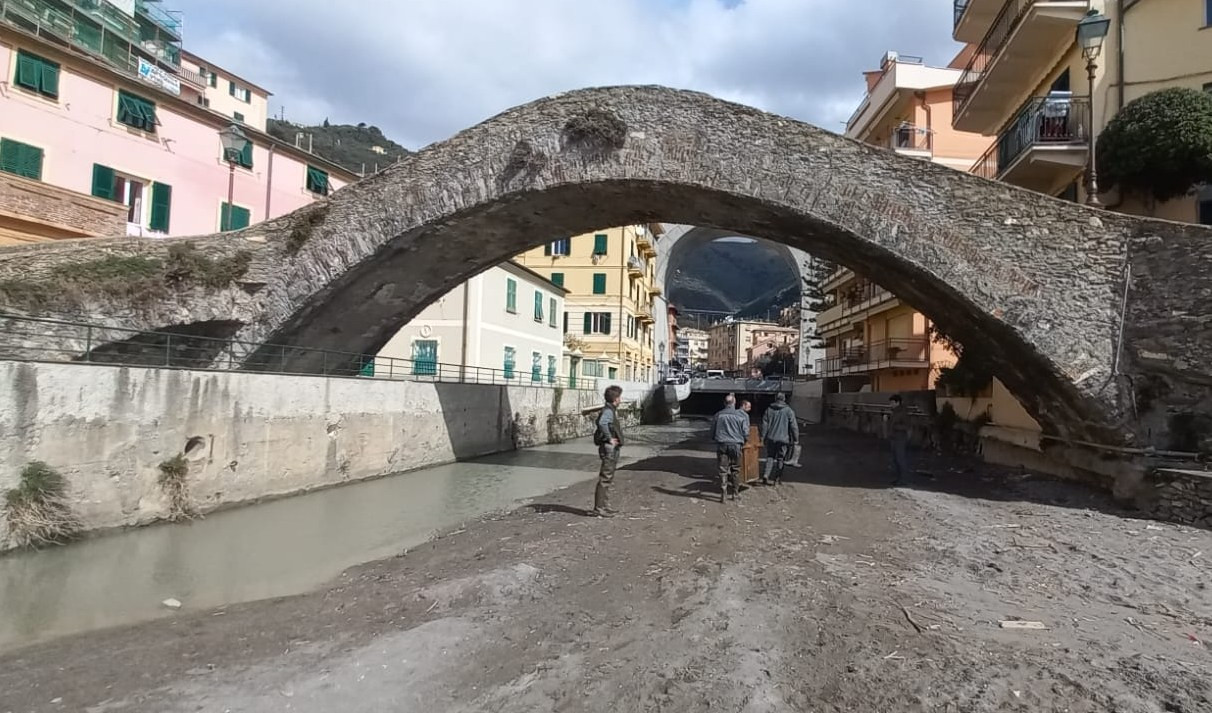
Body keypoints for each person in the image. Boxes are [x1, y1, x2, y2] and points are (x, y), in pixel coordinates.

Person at [593, 385, 624, 517]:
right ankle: (600, 508)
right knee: (605, 479)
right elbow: (602, 423)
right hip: (609, 448)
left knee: (607, 478)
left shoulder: (609, 409)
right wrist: (610, 438)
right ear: (615, 399)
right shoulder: (608, 411)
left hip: (609, 448)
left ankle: (604, 506)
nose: (621, 400)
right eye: (620, 397)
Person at [712, 394, 750, 502]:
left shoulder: (718, 415)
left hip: (722, 444)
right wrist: (744, 442)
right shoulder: (741, 416)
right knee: (735, 469)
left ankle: (723, 493)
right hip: (736, 444)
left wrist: (715, 440)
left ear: (724, 403)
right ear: (734, 403)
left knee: (723, 470)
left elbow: (712, 431)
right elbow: (746, 433)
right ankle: (735, 493)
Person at [760, 393, 799, 486]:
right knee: (780, 459)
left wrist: (763, 437)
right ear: (784, 399)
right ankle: (777, 479)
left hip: (771, 438)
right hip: (783, 439)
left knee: (770, 457)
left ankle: (766, 475)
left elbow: (764, 425)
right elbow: (794, 426)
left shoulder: (769, 410)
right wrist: (796, 439)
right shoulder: (789, 411)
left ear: (775, 398)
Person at [886, 393, 911, 486]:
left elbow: (907, 426)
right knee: (895, 459)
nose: (890, 404)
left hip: (900, 438)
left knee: (900, 459)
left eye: (892, 402)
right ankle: (899, 478)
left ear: (897, 402)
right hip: (894, 437)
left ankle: (904, 479)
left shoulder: (902, 412)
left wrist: (896, 427)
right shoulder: (894, 412)